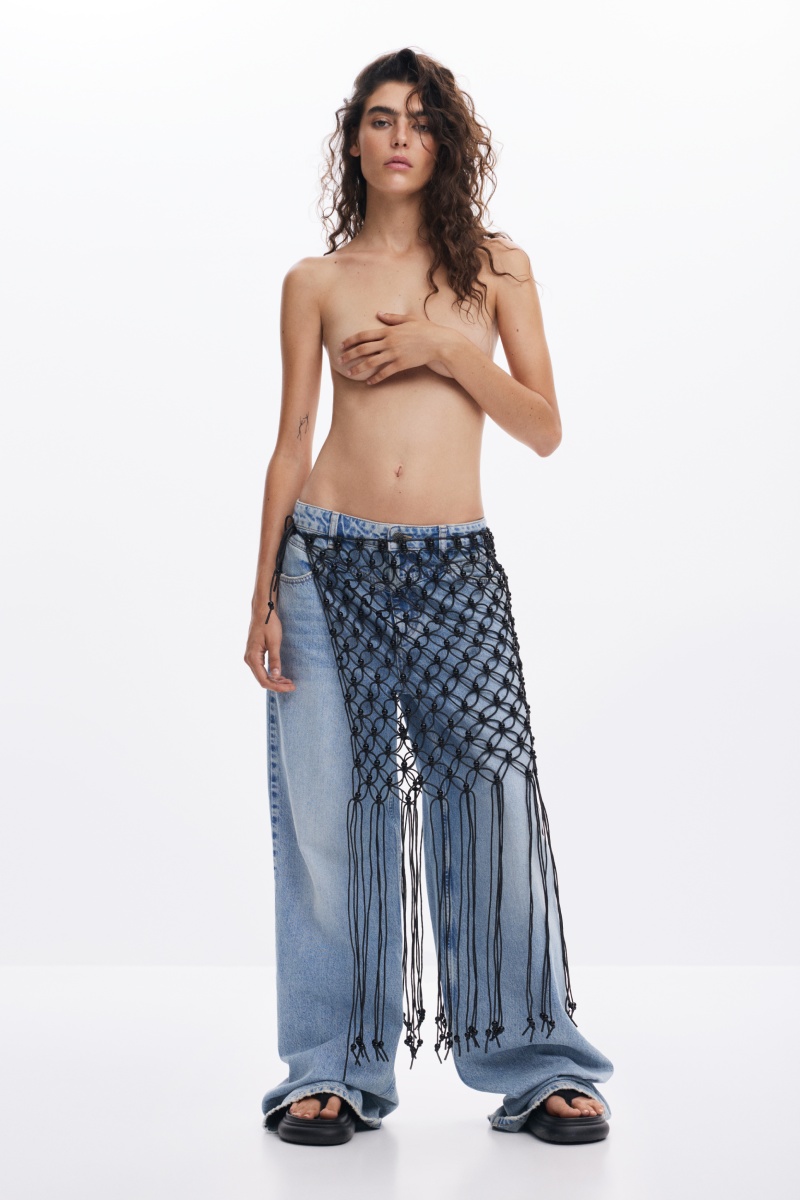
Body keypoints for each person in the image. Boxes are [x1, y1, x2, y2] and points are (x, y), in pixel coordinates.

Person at [244, 47, 614, 1147]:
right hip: (325, 564)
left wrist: (444, 347)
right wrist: (260, 596)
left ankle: (538, 1063)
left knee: (490, 810)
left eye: (419, 119)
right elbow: (290, 440)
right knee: (326, 822)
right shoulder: (314, 281)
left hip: (453, 569)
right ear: (354, 141)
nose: (399, 135)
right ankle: (329, 1067)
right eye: (379, 118)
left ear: (445, 142)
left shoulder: (496, 268)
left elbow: (543, 426)